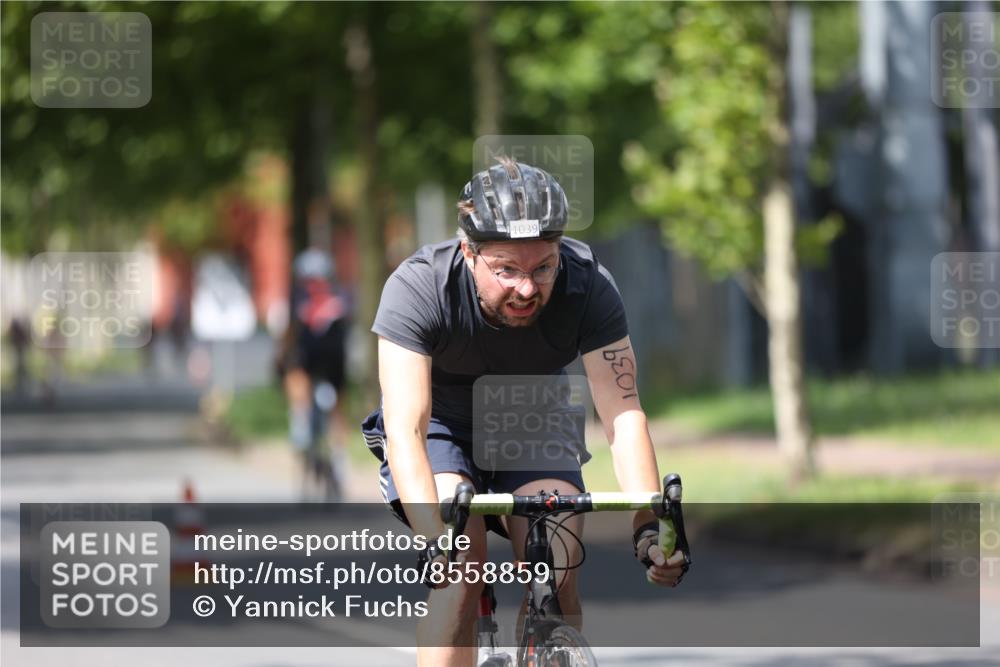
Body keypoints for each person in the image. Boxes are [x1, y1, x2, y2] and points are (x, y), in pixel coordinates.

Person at [362, 156, 686, 666]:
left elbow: (623, 413)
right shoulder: (419, 287)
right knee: (460, 573)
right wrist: (434, 537)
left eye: (543, 267)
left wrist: (648, 526)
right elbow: (406, 427)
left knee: (556, 573)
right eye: (506, 270)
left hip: (531, 416)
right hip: (441, 427)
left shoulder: (588, 286)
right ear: (469, 252)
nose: (527, 289)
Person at [280, 247, 351, 497]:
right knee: (336, 409)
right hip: (334, 361)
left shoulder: (299, 298)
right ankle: (340, 459)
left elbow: (290, 336)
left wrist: (281, 359)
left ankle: (300, 420)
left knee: (296, 375)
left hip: (311, 359)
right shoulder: (341, 297)